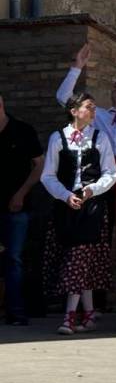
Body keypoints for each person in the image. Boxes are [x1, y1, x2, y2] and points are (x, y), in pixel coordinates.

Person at [40, 92, 116, 336]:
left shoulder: (100, 137)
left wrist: (91, 190)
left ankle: (69, 317)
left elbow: (110, 173)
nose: (93, 111)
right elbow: (48, 175)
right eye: (88, 107)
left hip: (91, 208)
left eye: (94, 107)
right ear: (74, 111)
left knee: (79, 259)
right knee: (77, 261)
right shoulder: (58, 138)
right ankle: (90, 313)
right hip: (65, 206)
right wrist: (65, 195)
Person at [56, 44, 116, 246]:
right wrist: (77, 67)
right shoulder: (96, 115)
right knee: (97, 224)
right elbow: (62, 98)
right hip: (99, 174)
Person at [0, 93, 44, 326]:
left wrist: (22, 192)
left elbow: (39, 164)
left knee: (14, 259)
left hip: (16, 206)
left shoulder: (22, 130)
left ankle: (15, 311)